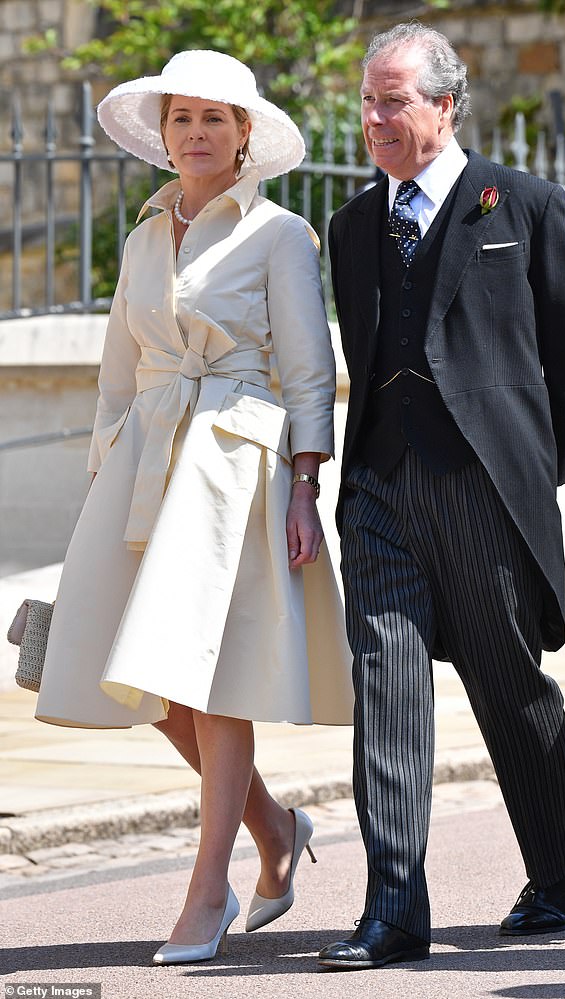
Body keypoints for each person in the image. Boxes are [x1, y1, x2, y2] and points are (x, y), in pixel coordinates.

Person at [34, 49, 353, 965]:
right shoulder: (141, 236)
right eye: (182, 118)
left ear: (245, 133)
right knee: (128, 665)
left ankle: (207, 888)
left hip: (232, 465)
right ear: (163, 133)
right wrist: (106, 469)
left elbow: (307, 371)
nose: (197, 133)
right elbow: (116, 374)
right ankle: (276, 828)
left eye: (216, 118)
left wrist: (305, 480)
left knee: (210, 680)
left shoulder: (281, 234)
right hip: (144, 460)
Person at [318, 22, 565, 970]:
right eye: (367, 101)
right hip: (379, 492)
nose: (374, 118)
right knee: (386, 689)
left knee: (510, 691)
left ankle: (560, 867)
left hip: (487, 493)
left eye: (392, 99)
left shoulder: (521, 203)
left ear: (446, 105)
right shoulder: (352, 226)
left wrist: (533, 467)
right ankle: (395, 908)